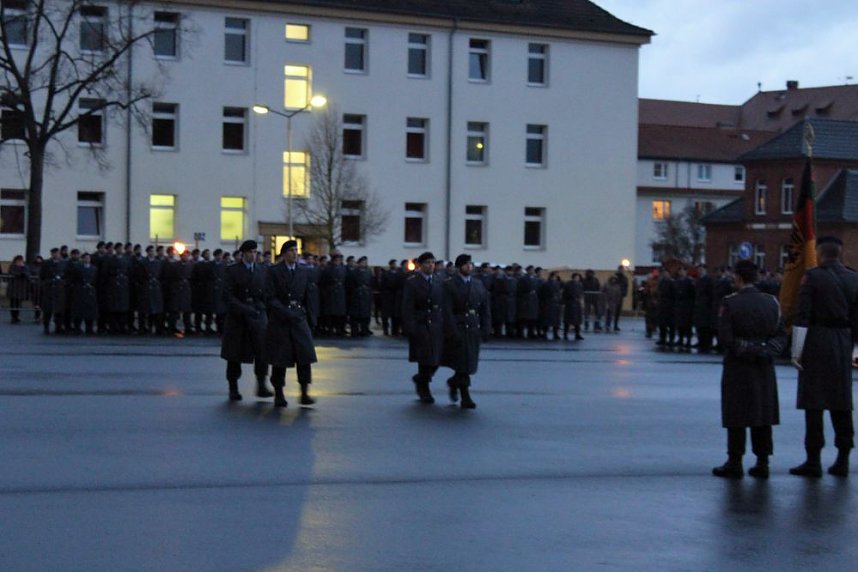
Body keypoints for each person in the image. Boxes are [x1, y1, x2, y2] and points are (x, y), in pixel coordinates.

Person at [790, 236, 858, 478]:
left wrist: (796, 351)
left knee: (814, 403)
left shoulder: (813, 277)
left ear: (820, 254)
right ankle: (843, 459)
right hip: (843, 342)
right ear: (840, 254)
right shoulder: (853, 278)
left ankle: (813, 460)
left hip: (817, 341)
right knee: (841, 403)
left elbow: (802, 316)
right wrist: (855, 354)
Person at [712, 260, 785, 479]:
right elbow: (781, 335)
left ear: (738, 278)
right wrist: (766, 350)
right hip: (764, 366)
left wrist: (747, 349)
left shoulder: (730, 302)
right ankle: (763, 461)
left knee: (737, 413)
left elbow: (725, 338)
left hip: (738, 365)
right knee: (763, 413)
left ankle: (735, 461)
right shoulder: (772, 302)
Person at [264, 240, 318, 408]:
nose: (295, 253)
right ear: (284, 253)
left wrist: (311, 319)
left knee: (304, 357)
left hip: (299, 318)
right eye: (291, 250)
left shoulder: (304, 272)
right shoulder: (274, 272)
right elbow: (269, 297)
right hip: (281, 319)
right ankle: (279, 393)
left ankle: (304, 392)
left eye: (296, 250)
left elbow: (309, 296)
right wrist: (284, 312)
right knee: (280, 359)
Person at [220, 240, 272, 402]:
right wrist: (243, 308)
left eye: (255, 252)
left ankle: (261, 384)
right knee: (234, 354)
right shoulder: (232, 271)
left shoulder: (262, 270)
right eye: (250, 252)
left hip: (257, 314)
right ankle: (233, 388)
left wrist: (262, 309)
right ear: (243, 253)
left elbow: (266, 293)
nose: (253, 255)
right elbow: (227, 296)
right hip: (238, 317)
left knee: (263, 351)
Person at [441, 254, 490, 409]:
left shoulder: (477, 284)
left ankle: (454, 382)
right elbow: (447, 310)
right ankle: (465, 395)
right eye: (466, 264)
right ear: (459, 267)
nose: (469, 267)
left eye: (470, 264)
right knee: (462, 363)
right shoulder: (449, 284)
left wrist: (486, 326)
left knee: (469, 363)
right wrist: (451, 329)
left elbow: (484, 307)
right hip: (459, 326)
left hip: (473, 327)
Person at [401, 251, 445, 404]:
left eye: (433, 262)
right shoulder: (413, 282)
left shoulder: (439, 281)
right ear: (420, 265)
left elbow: (443, 304)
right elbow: (408, 306)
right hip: (421, 323)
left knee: (437, 358)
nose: (431, 265)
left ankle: (421, 379)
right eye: (427, 263)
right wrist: (410, 327)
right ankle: (424, 388)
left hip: (436, 323)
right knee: (425, 359)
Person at [7, 255, 29, 324]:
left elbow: (27, 274)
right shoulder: (12, 266)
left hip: (21, 288)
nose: (19, 262)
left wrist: (22, 268)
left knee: (19, 303)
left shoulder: (25, 267)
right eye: (18, 260)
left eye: (21, 260)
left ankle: (16, 316)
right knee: (13, 303)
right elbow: (13, 273)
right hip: (13, 287)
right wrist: (20, 274)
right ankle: (13, 317)